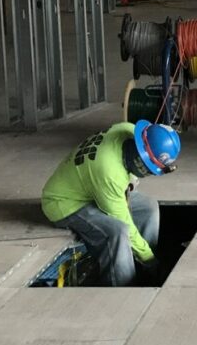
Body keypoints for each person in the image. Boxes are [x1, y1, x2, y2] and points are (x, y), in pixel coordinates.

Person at [41, 120, 181, 287]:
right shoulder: (109, 173)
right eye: (148, 169)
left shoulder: (127, 130)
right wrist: (150, 260)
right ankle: (123, 289)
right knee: (117, 232)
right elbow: (125, 225)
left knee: (148, 207)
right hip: (65, 202)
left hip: (91, 188)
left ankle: (141, 267)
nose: (148, 174)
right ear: (139, 156)